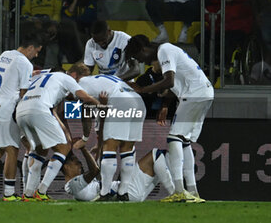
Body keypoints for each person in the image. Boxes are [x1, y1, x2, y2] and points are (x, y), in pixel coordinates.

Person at [125, 35, 213, 202]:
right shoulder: (168, 50)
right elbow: (174, 85)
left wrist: (143, 90)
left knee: (174, 138)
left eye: (139, 57)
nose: (143, 62)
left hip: (195, 94)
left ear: (144, 50)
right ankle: (193, 192)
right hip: (202, 93)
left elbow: (169, 81)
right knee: (184, 141)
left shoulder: (164, 49)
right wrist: (164, 98)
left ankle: (179, 190)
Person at [15, 63, 102, 201]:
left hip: (20, 110)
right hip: (39, 109)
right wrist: (100, 104)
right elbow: (83, 96)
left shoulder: (44, 75)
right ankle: (41, 191)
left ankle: (28, 194)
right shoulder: (66, 78)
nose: (80, 84)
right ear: (74, 75)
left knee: (39, 151)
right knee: (63, 148)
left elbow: (25, 79)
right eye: (80, 81)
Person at [0, 32, 43, 201]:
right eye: (36, 51)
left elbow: (8, 77)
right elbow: (23, 92)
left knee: (0, 148)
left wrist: (29, 75)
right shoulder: (25, 63)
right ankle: (9, 193)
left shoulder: (4, 55)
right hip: (7, 109)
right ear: (30, 48)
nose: (36, 55)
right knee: (12, 150)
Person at [68, 63, 146, 201]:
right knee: (127, 149)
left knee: (110, 148)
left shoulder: (81, 84)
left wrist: (85, 138)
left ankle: (105, 193)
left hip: (120, 101)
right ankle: (123, 193)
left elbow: (85, 115)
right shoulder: (100, 80)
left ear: (73, 75)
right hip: (138, 102)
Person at [63, 139, 179, 202]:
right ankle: (176, 193)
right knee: (156, 154)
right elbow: (95, 171)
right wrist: (83, 149)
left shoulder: (84, 184)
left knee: (165, 157)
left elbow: (99, 170)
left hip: (130, 193)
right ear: (66, 167)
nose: (79, 164)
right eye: (74, 161)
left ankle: (178, 192)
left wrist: (99, 149)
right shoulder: (71, 186)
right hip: (128, 192)